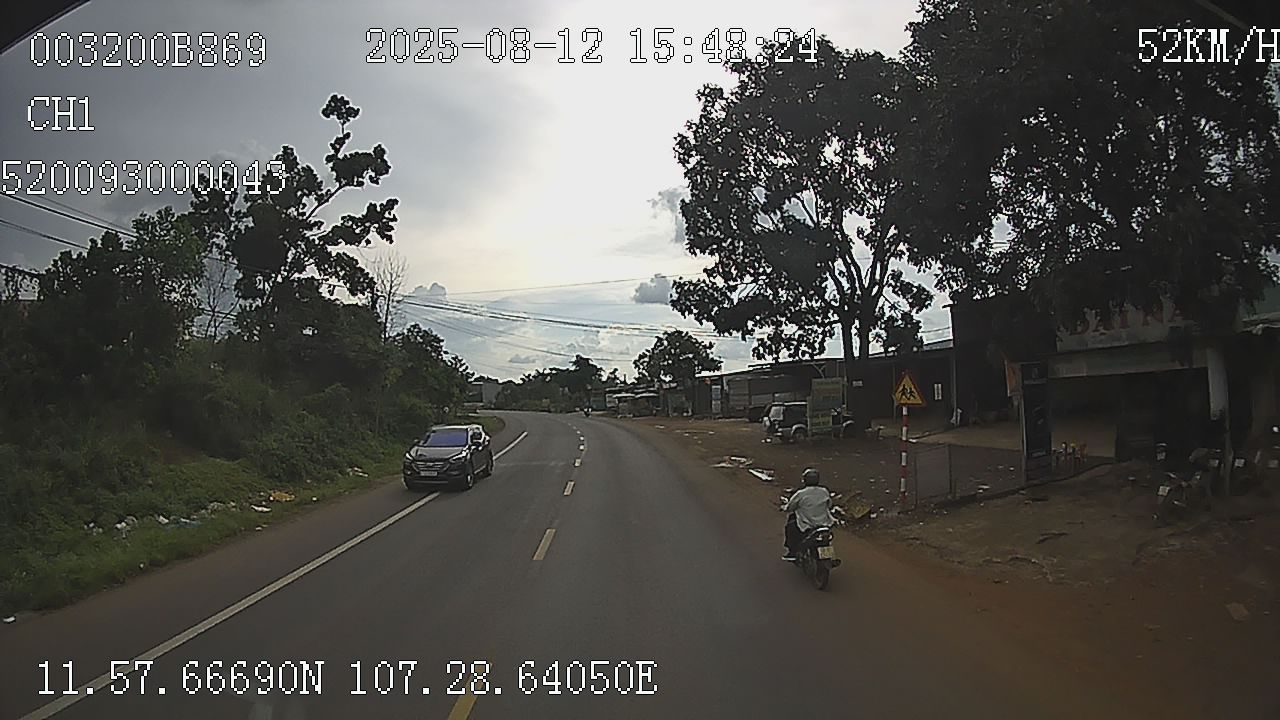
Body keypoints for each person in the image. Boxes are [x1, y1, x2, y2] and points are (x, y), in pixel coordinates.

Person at [781, 467, 835, 561]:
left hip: (807, 524)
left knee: (790, 528)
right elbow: (829, 505)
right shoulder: (824, 491)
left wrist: (784, 507)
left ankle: (792, 552)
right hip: (824, 523)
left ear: (805, 480)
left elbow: (790, 507)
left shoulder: (801, 494)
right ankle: (828, 557)